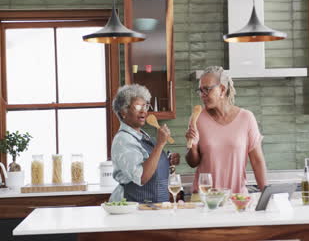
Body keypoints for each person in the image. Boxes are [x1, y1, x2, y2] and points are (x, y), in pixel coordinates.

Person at [185, 66, 268, 194]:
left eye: (206, 90)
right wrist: (193, 146)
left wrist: (266, 194)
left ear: (222, 89)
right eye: (200, 91)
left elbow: (257, 161)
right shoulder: (197, 118)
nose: (202, 95)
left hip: (236, 198)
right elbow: (192, 162)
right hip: (205, 198)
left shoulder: (246, 118)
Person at [109, 84, 180, 203]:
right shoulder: (123, 140)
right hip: (134, 208)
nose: (143, 111)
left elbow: (150, 163)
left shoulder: (142, 136)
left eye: (145, 106)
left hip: (155, 207)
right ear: (123, 112)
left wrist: (167, 160)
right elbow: (141, 177)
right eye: (137, 106)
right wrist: (160, 144)